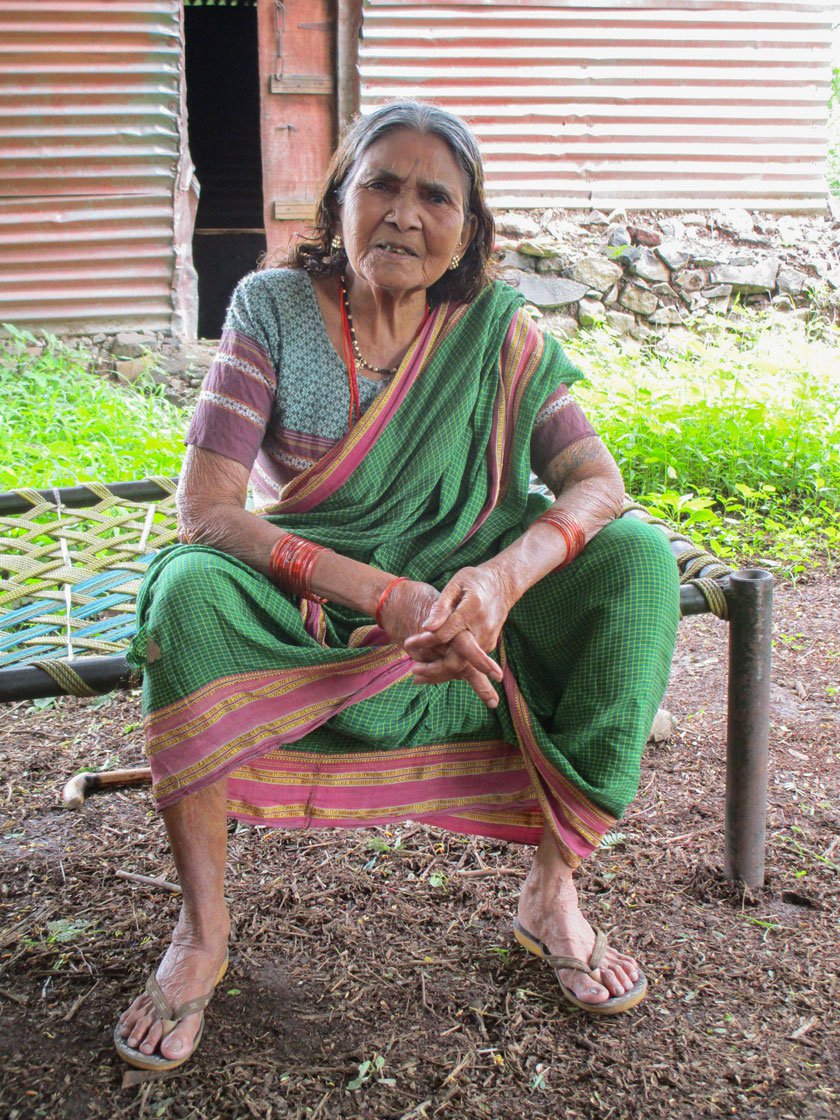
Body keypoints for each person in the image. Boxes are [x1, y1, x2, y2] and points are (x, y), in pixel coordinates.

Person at [115, 100, 679, 1072]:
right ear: (339, 199)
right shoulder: (272, 306)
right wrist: (381, 594)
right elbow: (208, 509)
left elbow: (597, 484)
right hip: (318, 590)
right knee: (190, 596)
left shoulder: (497, 332)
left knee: (635, 560)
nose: (404, 213)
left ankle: (553, 889)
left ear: (470, 228)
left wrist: (501, 579)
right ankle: (203, 928)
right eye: (381, 183)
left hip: (464, 586)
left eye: (435, 195)